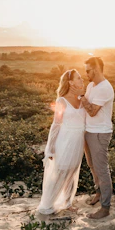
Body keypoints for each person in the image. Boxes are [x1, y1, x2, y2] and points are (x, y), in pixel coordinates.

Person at [71, 56, 114, 219]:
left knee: (102, 169)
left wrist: (81, 97)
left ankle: (105, 207)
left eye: (88, 70)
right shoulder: (91, 85)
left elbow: (92, 110)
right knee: (92, 165)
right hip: (89, 130)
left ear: (95, 70)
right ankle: (98, 193)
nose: (86, 73)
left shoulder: (105, 88)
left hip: (99, 132)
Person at [37, 69, 85, 215]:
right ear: (70, 82)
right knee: (61, 171)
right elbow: (56, 124)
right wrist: (50, 148)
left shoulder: (82, 98)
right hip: (65, 140)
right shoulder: (61, 100)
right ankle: (48, 204)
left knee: (72, 171)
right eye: (79, 78)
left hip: (78, 141)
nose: (82, 80)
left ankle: (67, 202)